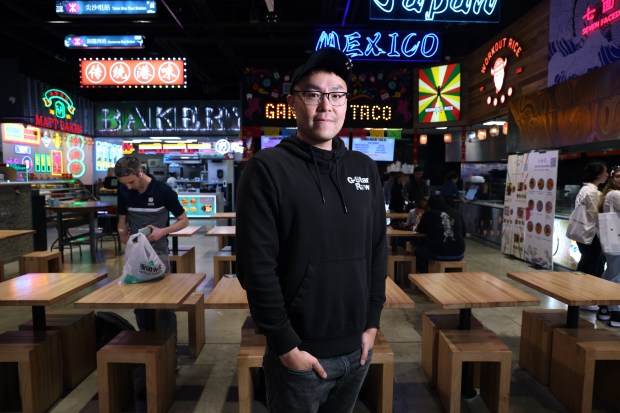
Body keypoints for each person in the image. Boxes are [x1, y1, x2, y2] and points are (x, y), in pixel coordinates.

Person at [236, 47, 387, 413]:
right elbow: (255, 268)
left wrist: (371, 324)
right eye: (313, 94)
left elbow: (377, 251)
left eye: (336, 95)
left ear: (346, 102)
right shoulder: (267, 169)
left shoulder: (364, 167)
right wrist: (286, 347)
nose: (325, 106)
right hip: (299, 356)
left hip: (358, 350)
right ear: (293, 102)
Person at [114, 156, 189, 338]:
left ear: (140, 173)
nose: (129, 187)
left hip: (158, 253)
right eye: (125, 184)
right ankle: (146, 346)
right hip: (135, 254)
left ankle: (170, 355)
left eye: (131, 182)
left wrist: (162, 231)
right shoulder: (124, 190)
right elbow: (122, 219)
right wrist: (122, 231)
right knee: (139, 304)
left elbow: (184, 221)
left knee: (164, 305)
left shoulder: (164, 192)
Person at [572, 162, 607, 280]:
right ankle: (585, 290)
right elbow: (595, 215)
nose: (607, 175)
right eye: (605, 172)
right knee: (593, 265)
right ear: (598, 175)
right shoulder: (592, 192)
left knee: (587, 261)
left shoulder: (584, 189)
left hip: (582, 233)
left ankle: (579, 286)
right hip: (591, 235)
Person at [414, 195, 466, 273]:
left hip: (439, 252)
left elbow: (420, 229)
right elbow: (464, 233)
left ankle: (425, 277)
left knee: (418, 252)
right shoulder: (457, 213)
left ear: (429, 205)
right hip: (459, 252)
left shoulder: (429, 213)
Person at [597, 166, 620, 326]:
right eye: (618, 176)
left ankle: (604, 307)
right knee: (617, 276)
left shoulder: (609, 194)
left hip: (612, 241)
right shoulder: (615, 194)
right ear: (612, 179)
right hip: (617, 242)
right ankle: (616, 312)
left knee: (612, 273)